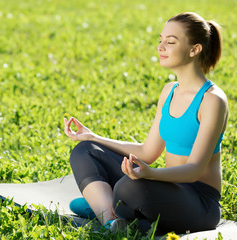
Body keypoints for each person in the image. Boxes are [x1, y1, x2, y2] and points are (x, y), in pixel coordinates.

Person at [64, 12, 228, 234]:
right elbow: (147, 151)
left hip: (199, 202)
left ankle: (106, 206)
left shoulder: (212, 100)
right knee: (85, 151)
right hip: (166, 187)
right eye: (160, 40)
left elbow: (194, 170)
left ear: (194, 49)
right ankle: (111, 220)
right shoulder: (169, 91)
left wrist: (151, 175)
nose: (161, 47)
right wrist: (93, 137)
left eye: (170, 42)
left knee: (128, 187)